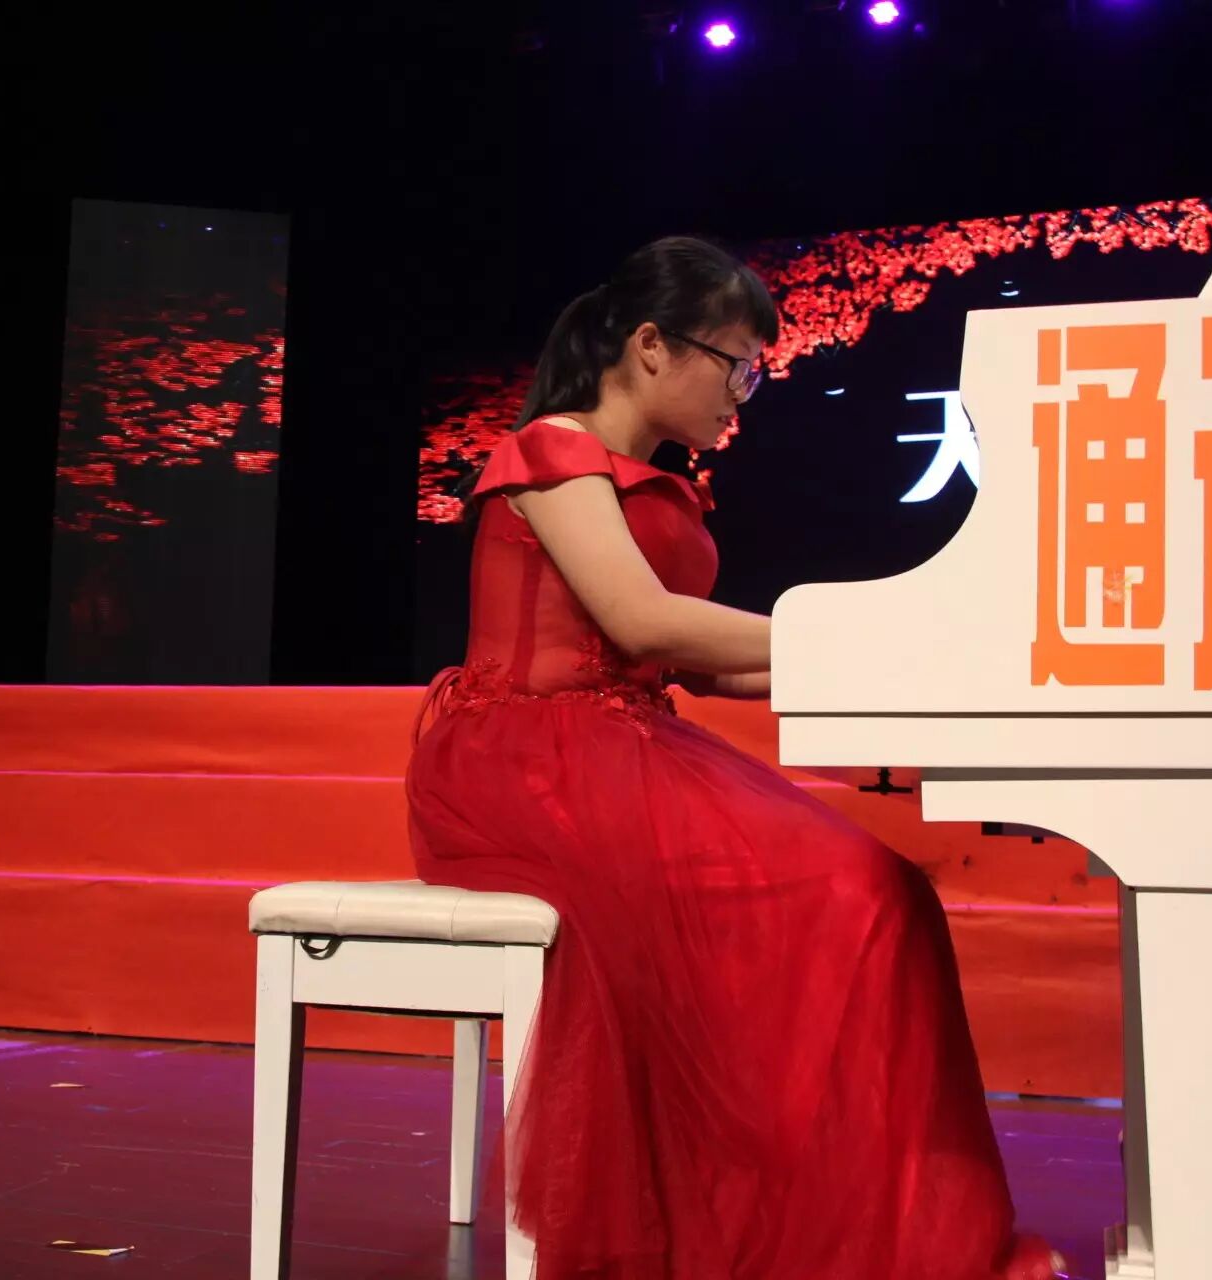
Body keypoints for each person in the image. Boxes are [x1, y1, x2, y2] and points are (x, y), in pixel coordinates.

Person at [405, 235, 1068, 1280]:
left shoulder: (656, 482)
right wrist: (858, 638)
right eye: (737, 365)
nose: (742, 395)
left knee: (879, 890)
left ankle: (837, 1220)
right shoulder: (551, 449)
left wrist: (899, 663)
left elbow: (702, 669)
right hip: (528, 753)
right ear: (652, 345)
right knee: (851, 891)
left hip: (621, 739)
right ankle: (814, 1225)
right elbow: (643, 621)